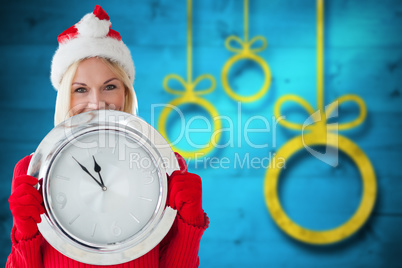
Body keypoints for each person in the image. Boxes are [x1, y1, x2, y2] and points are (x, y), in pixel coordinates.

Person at [6, 5, 208, 268]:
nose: (97, 102)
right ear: (65, 96)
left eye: (109, 86)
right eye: (80, 89)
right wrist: (25, 233)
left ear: (125, 93)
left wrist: (190, 224)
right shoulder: (31, 171)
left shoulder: (167, 166)